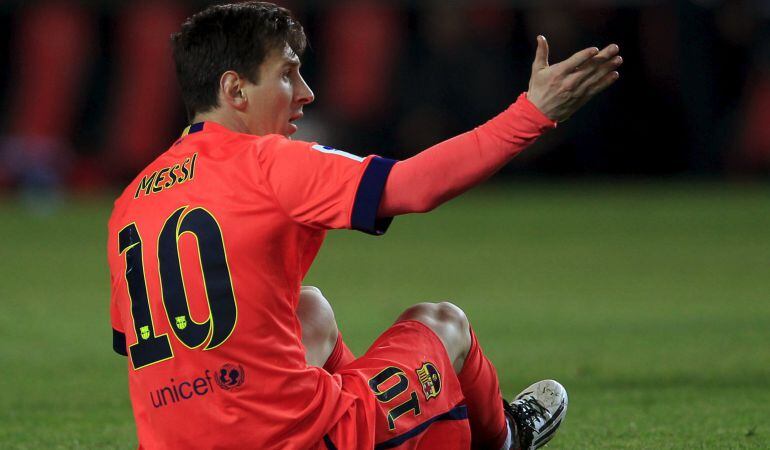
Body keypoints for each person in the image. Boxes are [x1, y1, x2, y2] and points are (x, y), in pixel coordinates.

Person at [107, 2, 622, 449]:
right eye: (287, 74)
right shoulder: (269, 163)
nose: (305, 92)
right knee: (443, 322)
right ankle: (508, 436)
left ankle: (364, 407)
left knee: (308, 307)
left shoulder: (130, 200)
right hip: (290, 441)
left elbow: (150, 348)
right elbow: (413, 186)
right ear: (235, 90)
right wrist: (531, 113)